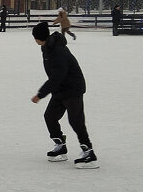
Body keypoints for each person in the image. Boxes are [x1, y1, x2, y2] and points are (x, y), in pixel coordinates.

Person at [30, 21, 96, 168]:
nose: (34, 40)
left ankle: (89, 153)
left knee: (75, 121)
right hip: (60, 89)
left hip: (72, 88)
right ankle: (60, 145)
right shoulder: (47, 48)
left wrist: (40, 94)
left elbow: (57, 76)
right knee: (50, 116)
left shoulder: (57, 50)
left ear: (39, 38)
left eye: (34, 37)